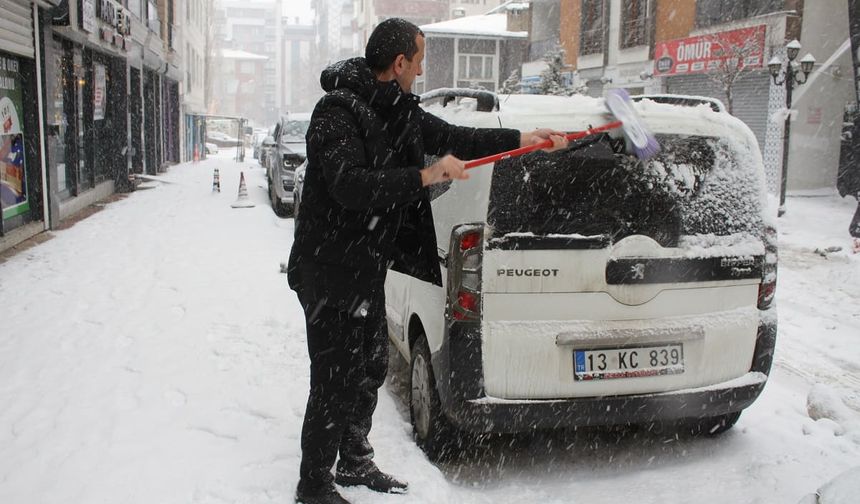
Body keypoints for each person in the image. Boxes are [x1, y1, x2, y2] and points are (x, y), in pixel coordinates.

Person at [287, 18, 567, 504]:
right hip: (328, 271)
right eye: (418, 61)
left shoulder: (397, 110)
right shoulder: (336, 112)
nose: (420, 70)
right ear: (399, 64)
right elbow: (348, 186)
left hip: (365, 266)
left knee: (371, 365)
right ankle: (313, 487)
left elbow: (457, 137)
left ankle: (353, 460)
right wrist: (425, 175)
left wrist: (526, 138)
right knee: (333, 381)